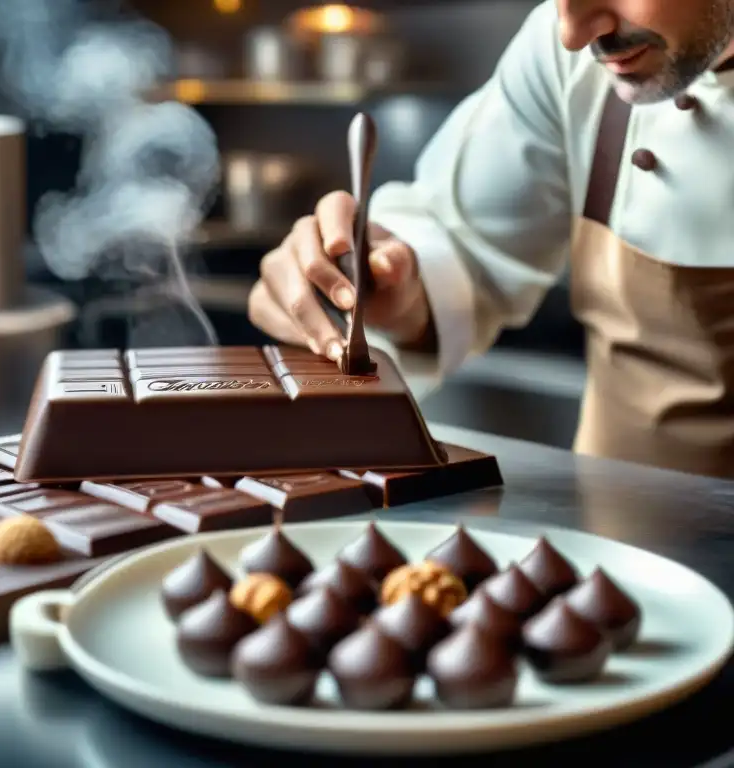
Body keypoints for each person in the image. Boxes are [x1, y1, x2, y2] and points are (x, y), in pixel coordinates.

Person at [247, 0, 734, 479]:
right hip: (621, 531)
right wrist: (391, 280)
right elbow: (464, 244)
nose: (574, 32)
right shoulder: (560, 54)